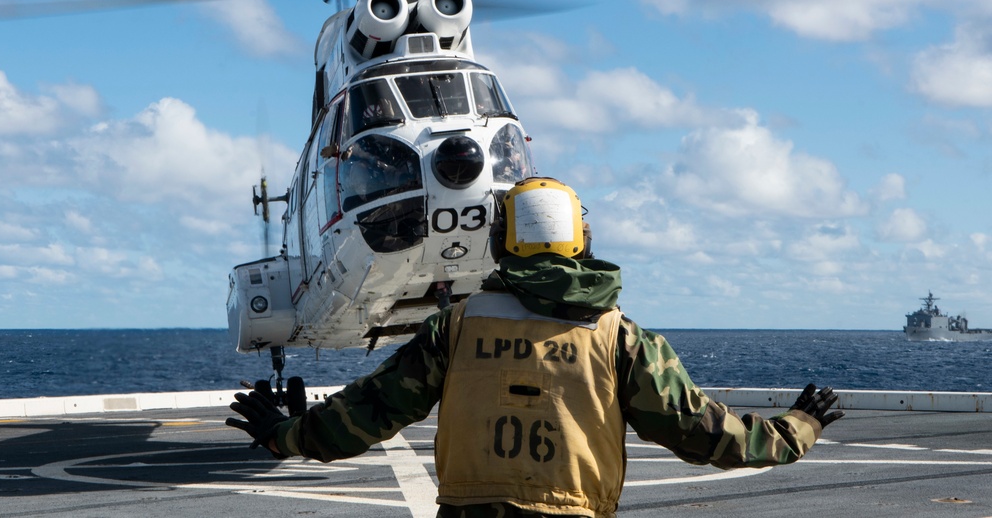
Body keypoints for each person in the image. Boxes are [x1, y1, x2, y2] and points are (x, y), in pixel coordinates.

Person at [227, 177, 844, 517]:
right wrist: (798, 428)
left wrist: (287, 433)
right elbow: (709, 435)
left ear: (500, 242)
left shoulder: (456, 327)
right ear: (581, 242)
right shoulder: (620, 339)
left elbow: (369, 411)